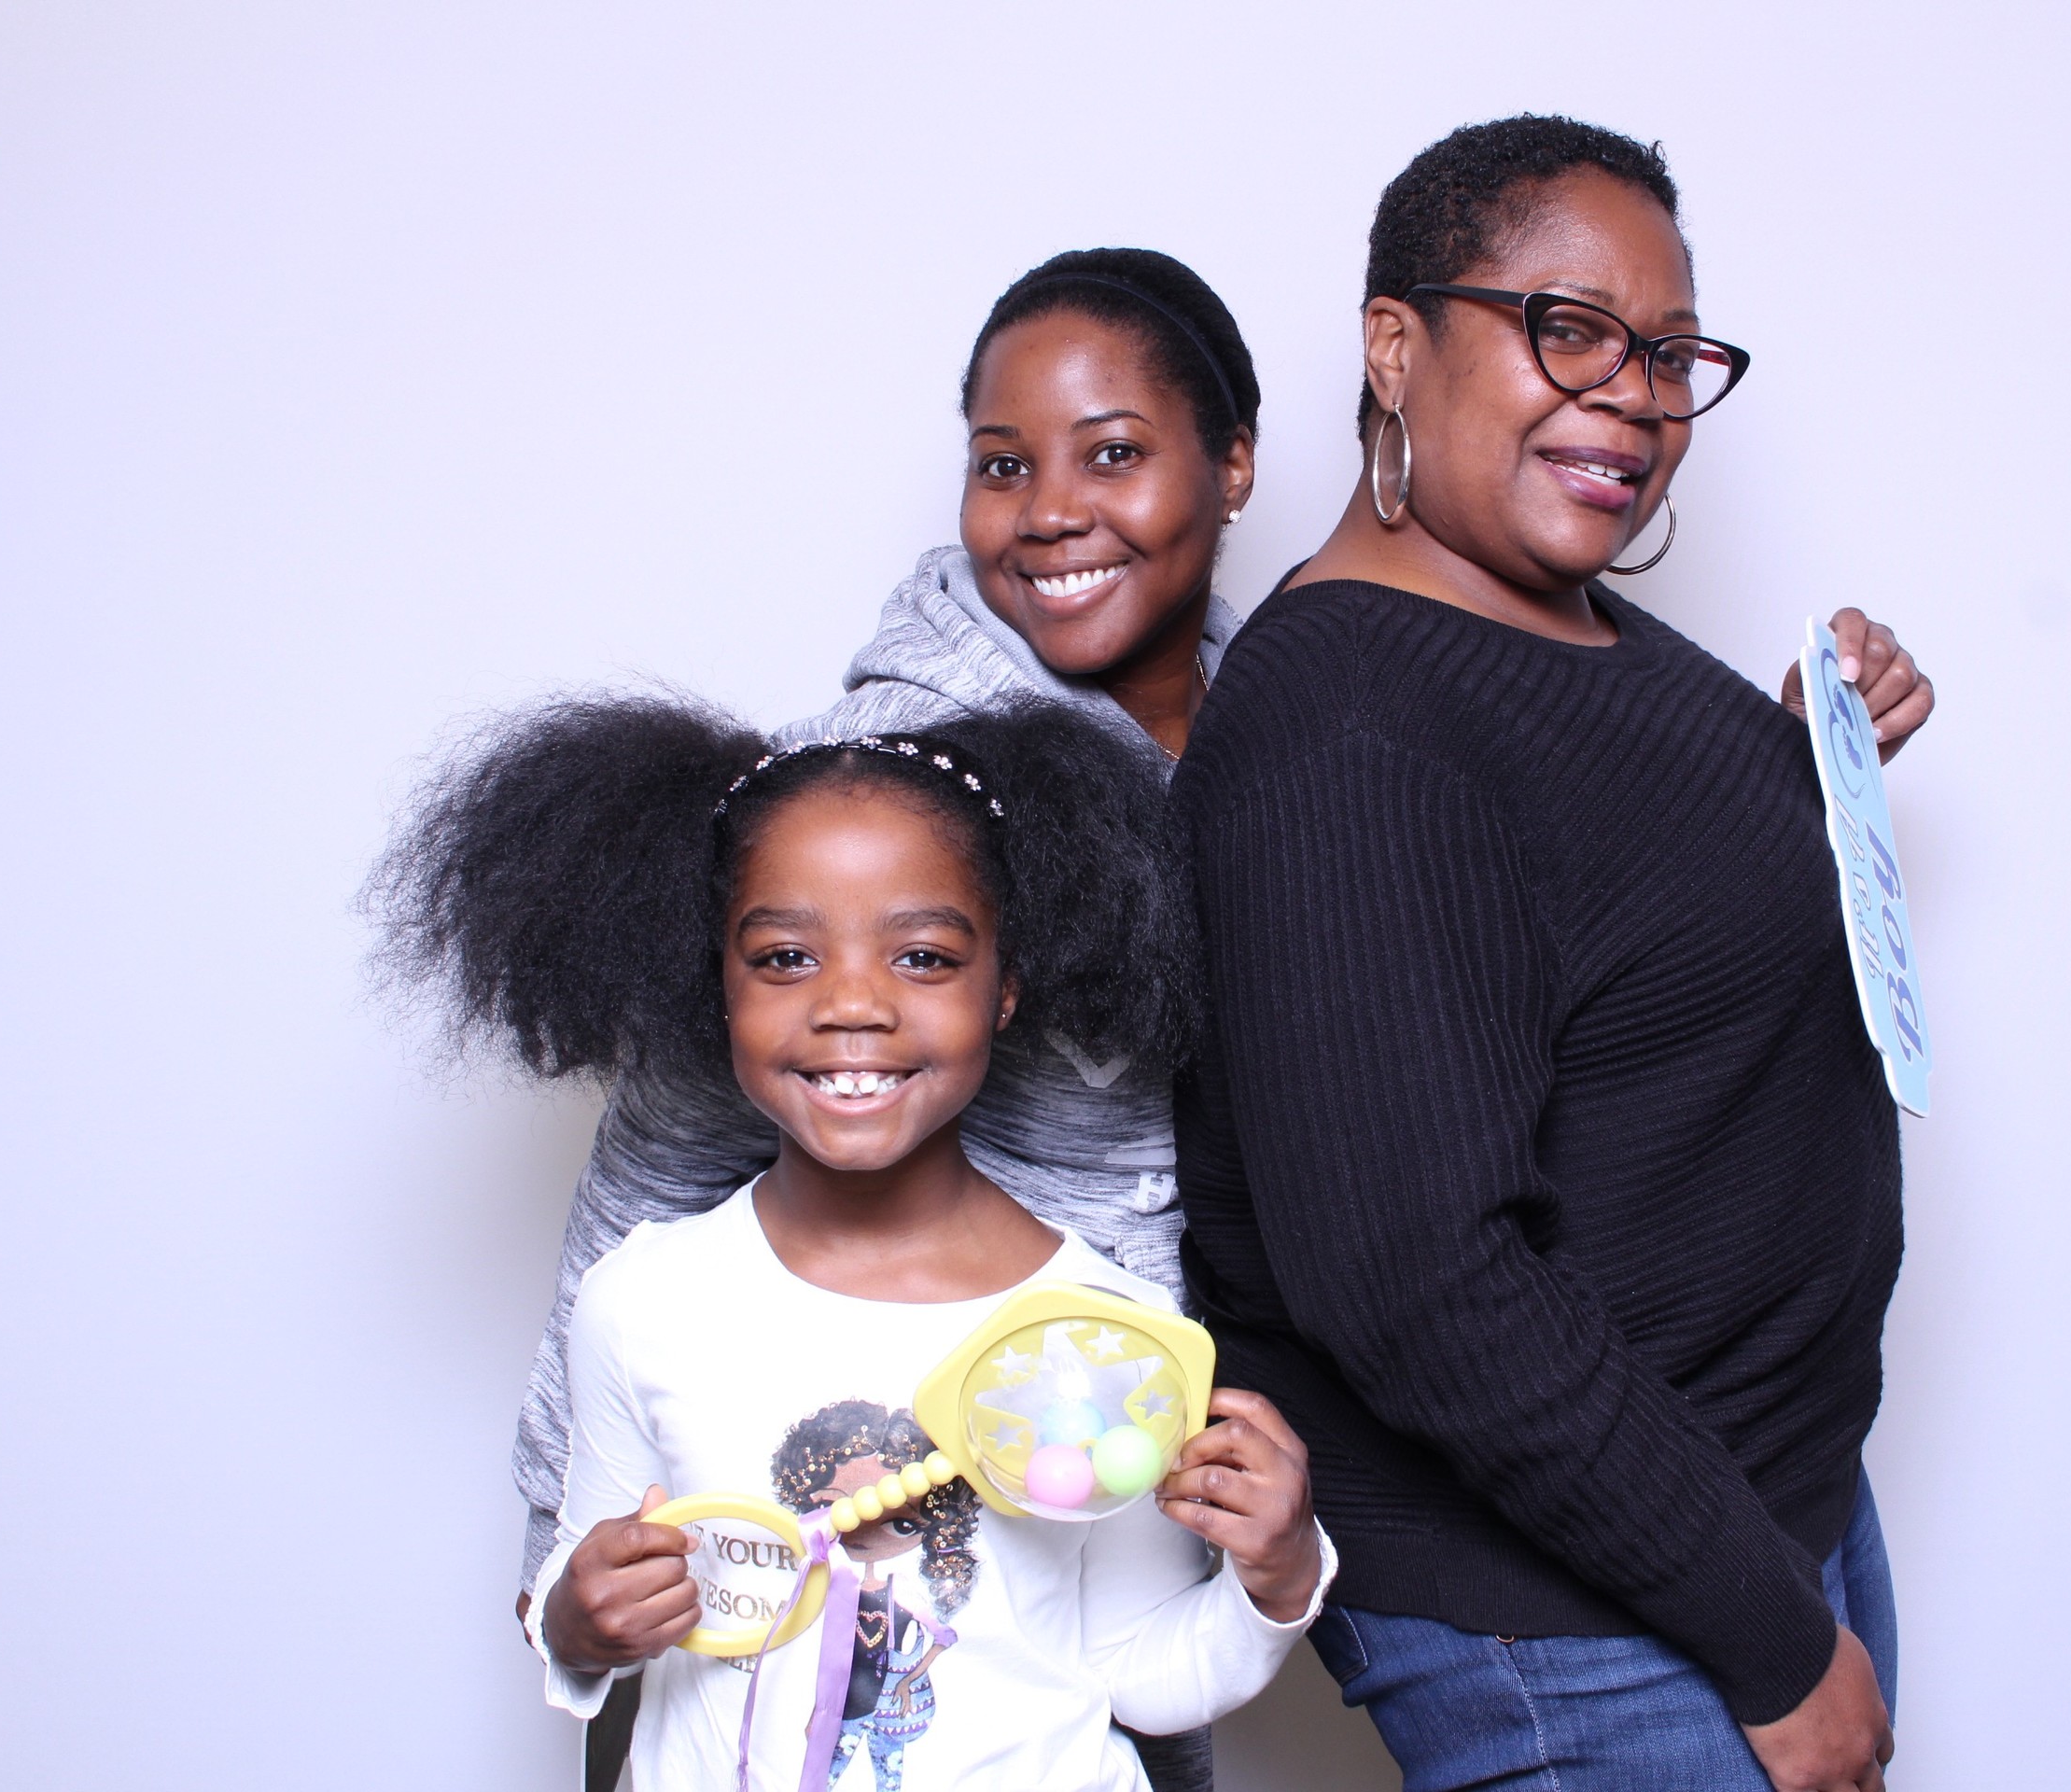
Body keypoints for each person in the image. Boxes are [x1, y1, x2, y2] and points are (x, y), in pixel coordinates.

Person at [1173, 116, 1922, 1792]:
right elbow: (1423, 1285)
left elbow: (1588, 918)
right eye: (1567, 329)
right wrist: (1772, 1636)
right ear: (1395, 346)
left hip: (1745, 1507)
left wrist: (1808, 768)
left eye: (1669, 354)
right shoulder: (1347, 734)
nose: (1635, 396)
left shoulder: (1546, 616)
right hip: (1588, 1613)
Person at [375, 696, 1332, 1791]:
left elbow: (1141, 1677)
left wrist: (1278, 1574)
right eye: (786, 957)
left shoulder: (1110, 1331)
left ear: (1006, 988)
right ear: (718, 984)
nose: (853, 1005)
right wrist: (580, 1625)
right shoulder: (644, 1300)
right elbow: (580, 1589)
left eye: (922, 957)